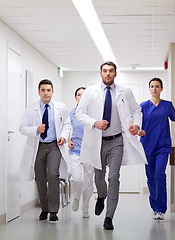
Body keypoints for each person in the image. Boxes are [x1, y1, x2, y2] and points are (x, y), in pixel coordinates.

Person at [76, 61, 147, 230]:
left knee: (113, 177)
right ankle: (101, 196)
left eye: (111, 71)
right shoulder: (91, 91)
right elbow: (80, 113)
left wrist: (136, 125)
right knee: (99, 178)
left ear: (115, 73)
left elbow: (137, 110)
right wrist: (95, 122)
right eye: (105, 71)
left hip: (117, 141)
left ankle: (109, 217)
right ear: (100, 73)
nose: (108, 74)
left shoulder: (125, 92)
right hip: (97, 141)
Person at [19, 79, 71, 223]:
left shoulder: (61, 107)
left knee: (53, 175)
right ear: (39, 92)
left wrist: (64, 136)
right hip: (38, 146)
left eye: (48, 90)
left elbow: (67, 123)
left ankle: (53, 211)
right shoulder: (31, 109)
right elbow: (22, 128)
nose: (46, 93)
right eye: (43, 90)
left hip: (54, 145)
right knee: (40, 179)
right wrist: (35, 129)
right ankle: (44, 209)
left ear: (52, 92)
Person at [138, 77, 175, 221]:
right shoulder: (143, 106)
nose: (154, 88)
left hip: (163, 146)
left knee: (160, 175)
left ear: (161, 89)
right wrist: (137, 130)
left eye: (157, 86)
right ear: (149, 89)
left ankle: (160, 209)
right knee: (151, 177)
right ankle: (154, 206)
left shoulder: (167, 106)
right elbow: (134, 122)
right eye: (152, 86)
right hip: (147, 146)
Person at [68, 87, 94, 218]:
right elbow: (66, 128)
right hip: (75, 150)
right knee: (77, 179)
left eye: (83, 95)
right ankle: (77, 197)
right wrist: (67, 139)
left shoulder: (93, 114)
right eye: (79, 95)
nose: (81, 97)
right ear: (76, 97)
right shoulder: (71, 113)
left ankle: (86, 207)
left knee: (88, 183)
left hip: (89, 151)